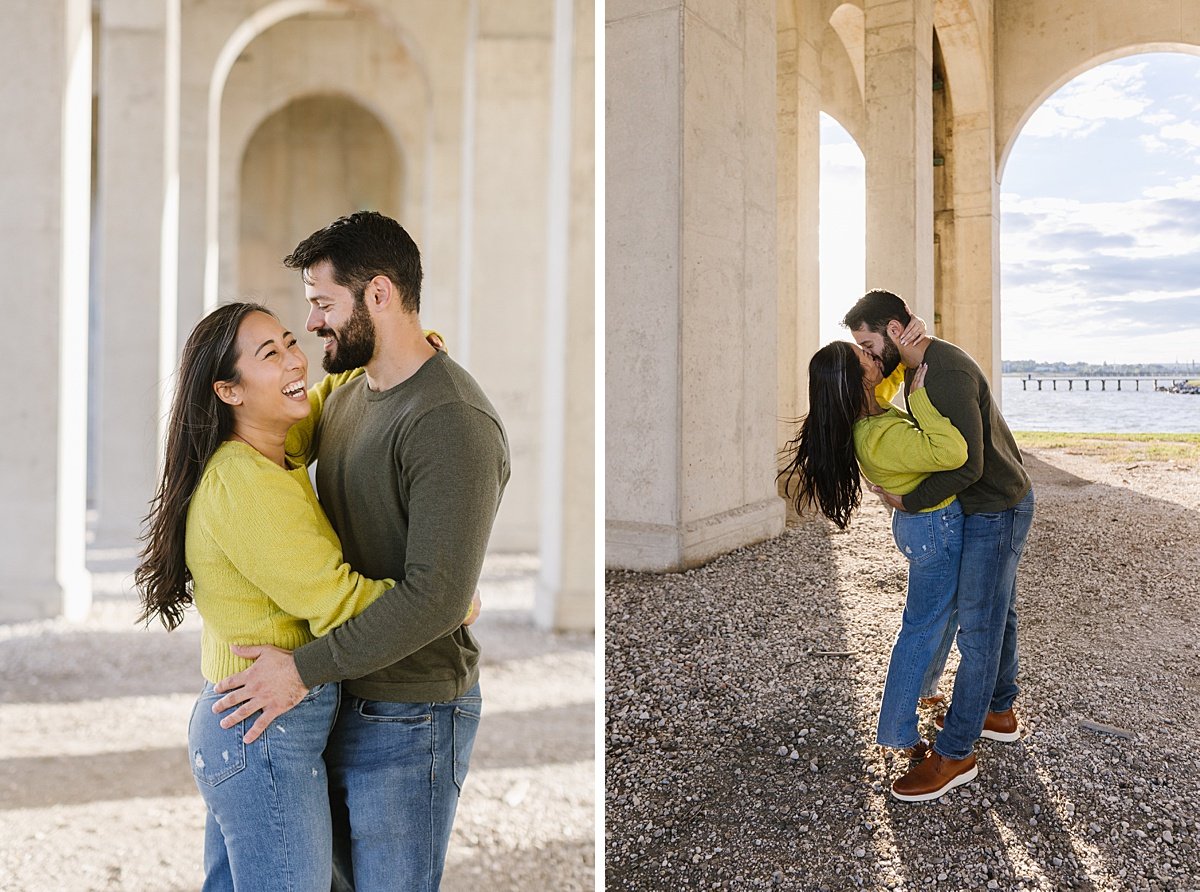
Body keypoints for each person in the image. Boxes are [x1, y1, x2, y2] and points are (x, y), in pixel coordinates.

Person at [209, 211, 511, 891]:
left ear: (378, 294)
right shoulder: (348, 391)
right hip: (341, 699)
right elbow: (262, 435)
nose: (312, 324)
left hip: (411, 716)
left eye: (322, 304)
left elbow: (436, 599)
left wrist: (300, 670)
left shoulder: (452, 424)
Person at [135, 302, 475, 890]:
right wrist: (447, 605)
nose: (297, 359)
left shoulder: (276, 442)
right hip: (264, 734)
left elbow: (329, 393)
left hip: (257, 726)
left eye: (291, 341)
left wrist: (407, 348)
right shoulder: (245, 485)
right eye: (272, 355)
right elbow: (338, 600)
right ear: (229, 391)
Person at [844, 288, 1034, 803]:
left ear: (891, 329)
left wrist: (907, 501)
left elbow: (967, 464)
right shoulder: (913, 366)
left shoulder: (941, 373)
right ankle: (999, 710)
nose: (866, 354)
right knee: (999, 612)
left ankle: (955, 753)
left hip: (995, 506)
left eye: (866, 343)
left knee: (979, 628)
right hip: (988, 504)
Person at [779, 339, 967, 768]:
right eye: (863, 354)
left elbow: (893, 372)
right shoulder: (880, 435)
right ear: (856, 378)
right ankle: (897, 731)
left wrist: (907, 347)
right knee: (920, 630)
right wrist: (919, 401)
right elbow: (953, 451)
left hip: (927, 529)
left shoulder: (873, 408)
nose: (872, 355)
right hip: (934, 531)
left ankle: (925, 689)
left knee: (945, 616)